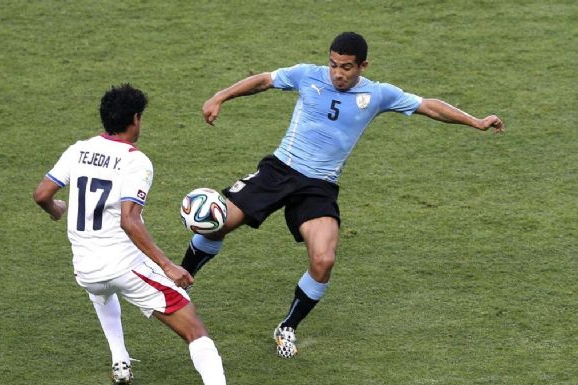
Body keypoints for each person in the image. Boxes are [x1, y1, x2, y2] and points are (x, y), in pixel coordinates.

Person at [180, 32, 505, 359]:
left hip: (319, 186)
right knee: (216, 223)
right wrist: (220, 96)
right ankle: (178, 282)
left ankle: (287, 326)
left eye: (347, 67)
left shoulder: (378, 94)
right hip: (280, 170)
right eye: (334, 64)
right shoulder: (308, 74)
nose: (338, 73)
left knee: (323, 260)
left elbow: (429, 107)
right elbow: (264, 80)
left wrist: (475, 122)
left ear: (362, 65)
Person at [33, 83, 227, 385]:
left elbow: (42, 193)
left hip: (85, 270)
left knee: (101, 288)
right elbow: (129, 221)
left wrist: (54, 208)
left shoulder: (77, 150)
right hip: (125, 267)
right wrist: (168, 265)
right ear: (135, 119)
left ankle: (120, 360)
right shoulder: (135, 161)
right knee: (195, 330)